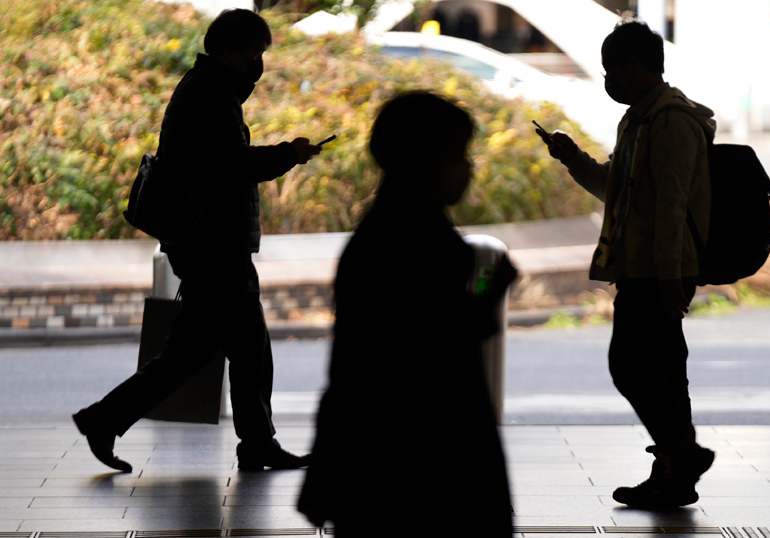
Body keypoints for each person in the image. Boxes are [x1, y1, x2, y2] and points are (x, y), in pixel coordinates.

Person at [72, 8, 321, 472]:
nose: (258, 62)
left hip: (215, 240)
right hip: (212, 243)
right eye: (253, 52)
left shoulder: (211, 88)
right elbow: (232, 165)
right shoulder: (209, 94)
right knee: (194, 350)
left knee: (248, 346)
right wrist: (289, 153)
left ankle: (257, 443)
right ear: (230, 50)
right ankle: (103, 418)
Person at [298, 91, 515, 536]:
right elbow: (429, 347)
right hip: (418, 459)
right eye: (457, 155)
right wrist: (490, 295)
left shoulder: (390, 233)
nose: (467, 168)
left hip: (392, 459)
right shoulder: (410, 242)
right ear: (423, 160)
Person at [537, 19, 715, 509]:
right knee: (664, 370)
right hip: (640, 266)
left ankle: (683, 453)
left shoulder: (672, 122)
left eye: (611, 71)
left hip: (658, 270)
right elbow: (614, 189)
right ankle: (674, 477)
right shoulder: (637, 120)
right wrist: (572, 157)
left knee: (629, 365)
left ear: (635, 67)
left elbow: (673, 203)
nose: (608, 81)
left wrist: (668, 274)